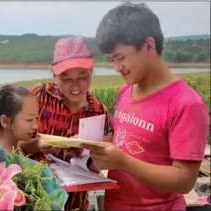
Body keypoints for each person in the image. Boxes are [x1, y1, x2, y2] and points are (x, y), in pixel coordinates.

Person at [81, 2, 210, 210]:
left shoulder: (186, 104)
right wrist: (89, 147)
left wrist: (123, 162)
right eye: (111, 60)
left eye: (120, 58)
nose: (116, 68)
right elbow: (124, 138)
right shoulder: (127, 91)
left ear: (149, 45)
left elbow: (184, 180)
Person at [19, 36, 110, 211]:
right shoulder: (39, 97)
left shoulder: (99, 112)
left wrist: (94, 160)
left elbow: (94, 167)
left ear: (91, 72)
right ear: (54, 76)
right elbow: (15, 145)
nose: (75, 86)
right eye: (66, 79)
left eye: (83, 77)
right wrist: (38, 145)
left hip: (75, 203)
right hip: (33, 198)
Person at [0, 84, 39, 154]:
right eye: (29, 119)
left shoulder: (16, 151)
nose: (35, 126)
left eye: (37, 118)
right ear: (5, 121)